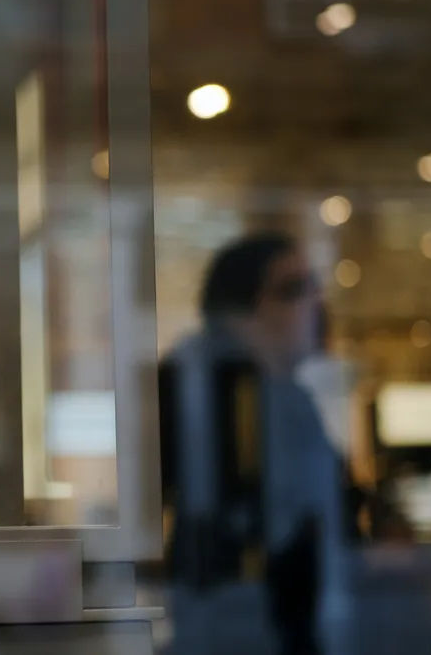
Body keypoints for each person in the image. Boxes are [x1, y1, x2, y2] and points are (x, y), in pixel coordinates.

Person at [159, 233, 348, 655]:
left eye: (314, 289)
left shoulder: (292, 401)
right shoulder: (197, 384)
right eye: (294, 290)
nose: (314, 306)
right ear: (241, 310)